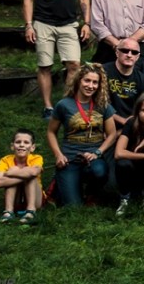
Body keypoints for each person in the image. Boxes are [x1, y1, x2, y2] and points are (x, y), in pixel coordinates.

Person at [24, 0, 90, 120]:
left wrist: (87, 23)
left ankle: (66, 103)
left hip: (68, 24)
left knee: (74, 64)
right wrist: (28, 25)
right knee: (45, 65)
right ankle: (48, 107)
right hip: (43, 23)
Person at [47, 63, 117, 206]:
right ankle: (59, 185)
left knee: (99, 171)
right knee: (73, 206)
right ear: (79, 81)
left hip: (93, 157)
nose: (90, 86)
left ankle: (91, 192)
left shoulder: (103, 105)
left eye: (95, 82)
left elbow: (112, 134)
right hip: (70, 158)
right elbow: (51, 132)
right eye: (87, 81)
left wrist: (98, 152)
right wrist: (58, 155)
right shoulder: (63, 105)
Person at [0, 129, 43, 225]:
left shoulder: (36, 158)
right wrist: (24, 174)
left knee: (29, 175)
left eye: (26, 142)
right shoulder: (5, 160)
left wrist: (11, 173)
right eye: (18, 142)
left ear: (32, 147)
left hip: (36, 200)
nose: (21, 145)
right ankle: (8, 212)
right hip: (15, 200)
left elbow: (34, 173)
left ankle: (31, 211)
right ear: (12, 146)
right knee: (24, 172)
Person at [103, 38, 144, 128]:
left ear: (138, 57)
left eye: (134, 52)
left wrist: (131, 122)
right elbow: (97, 102)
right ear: (117, 52)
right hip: (105, 122)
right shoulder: (103, 72)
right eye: (125, 51)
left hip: (132, 125)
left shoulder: (143, 80)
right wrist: (122, 121)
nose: (129, 55)